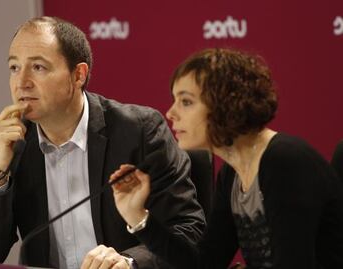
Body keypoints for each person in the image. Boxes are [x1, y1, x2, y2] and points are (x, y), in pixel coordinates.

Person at [0, 16, 205, 269]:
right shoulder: (14, 142)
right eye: (14, 68)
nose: (21, 83)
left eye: (38, 68)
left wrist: (129, 262)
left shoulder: (138, 131)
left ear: (78, 75)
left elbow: (188, 233)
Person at [110, 48, 343, 268]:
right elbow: (204, 263)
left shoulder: (285, 161)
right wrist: (138, 216)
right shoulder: (232, 173)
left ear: (225, 103)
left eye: (186, 101)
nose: (171, 113)